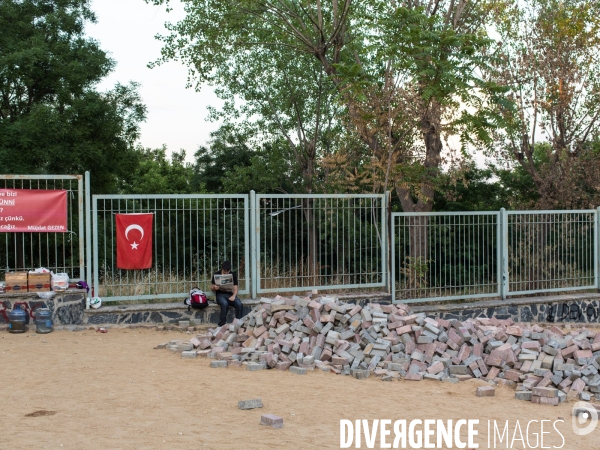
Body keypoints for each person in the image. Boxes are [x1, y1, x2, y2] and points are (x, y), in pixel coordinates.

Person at [211, 261, 243, 326]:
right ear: (222, 269)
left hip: (230, 294)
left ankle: (238, 322)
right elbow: (212, 287)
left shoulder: (233, 275)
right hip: (220, 295)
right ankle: (222, 323)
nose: (226, 273)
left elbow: (235, 288)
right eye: (224, 271)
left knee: (239, 304)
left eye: (228, 271)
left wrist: (234, 296)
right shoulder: (216, 274)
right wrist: (215, 287)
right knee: (224, 304)